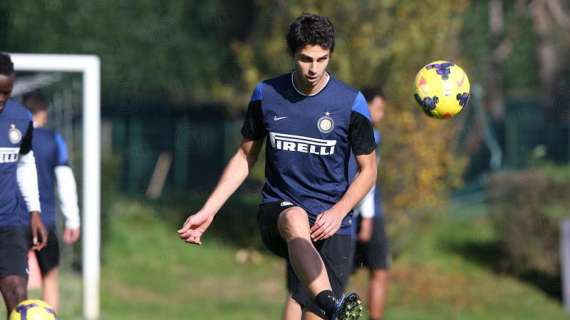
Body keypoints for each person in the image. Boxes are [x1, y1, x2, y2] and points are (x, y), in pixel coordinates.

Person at [178, 13, 377, 320]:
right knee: (295, 218)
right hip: (279, 211)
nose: (313, 69)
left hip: (333, 223)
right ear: (291, 55)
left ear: (330, 55)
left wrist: (339, 211)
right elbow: (245, 157)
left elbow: (369, 171)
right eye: (305, 59)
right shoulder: (266, 95)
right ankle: (328, 302)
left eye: (322, 59)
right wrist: (209, 210)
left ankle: (325, 308)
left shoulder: (351, 102)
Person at [22, 91, 81, 313]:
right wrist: (72, 219)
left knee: (12, 278)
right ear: (43, 112)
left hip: (12, 220)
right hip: (44, 220)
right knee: (50, 276)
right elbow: (65, 181)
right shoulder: (53, 140)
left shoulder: (9, 137)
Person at [0, 53, 48, 318]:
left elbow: (25, 162)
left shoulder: (20, 117)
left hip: (10, 221)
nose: (0, 99)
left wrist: (34, 210)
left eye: (6, 93)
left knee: (18, 293)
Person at [351, 87, 389, 320]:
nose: (382, 114)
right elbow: (361, 179)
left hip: (372, 211)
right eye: (379, 108)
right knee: (336, 277)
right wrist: (365, 217)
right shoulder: (357, 135)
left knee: (380, 270)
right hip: (355, 214)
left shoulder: (377, 136)